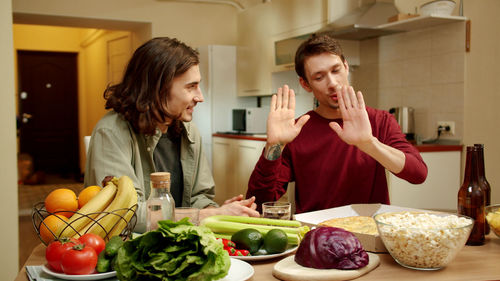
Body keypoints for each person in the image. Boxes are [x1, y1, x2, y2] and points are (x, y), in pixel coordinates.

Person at [84, 37, 259, 233]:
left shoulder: (189, 131)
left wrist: (218, 211)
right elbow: (123, 215)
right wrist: (205, 216)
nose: (200, 97)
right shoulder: (111, 133)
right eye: (190, 87)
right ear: (158, 89)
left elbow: (199, 197)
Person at [246, 34, 428, 214]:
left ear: (346, 67)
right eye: (319, 77)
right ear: (305, 84)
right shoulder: (295, 131)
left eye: (336, 70)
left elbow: (418, 174)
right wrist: (273, 146)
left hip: (367, 232)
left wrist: (369, 144)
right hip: (316, 234)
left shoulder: (380, 120)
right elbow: (259, 201)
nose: (332, 83)